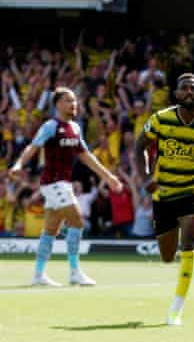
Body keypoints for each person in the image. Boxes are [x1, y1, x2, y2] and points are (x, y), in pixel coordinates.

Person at [134, 73, 194, 326]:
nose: (189, 92)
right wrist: (145, 177)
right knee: (167, 255)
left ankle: (176, 310)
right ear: (176, 94)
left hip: (193, 190)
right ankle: (171, 240)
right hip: (163, 193)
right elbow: (139, 146)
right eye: (184, 88)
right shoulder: (161, 120)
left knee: (189, 241)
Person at [10, 87, 122, 286]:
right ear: (58, 104)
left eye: (75, 101)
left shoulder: (76, 128)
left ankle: (38, 275)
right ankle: (74, 272)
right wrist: (19, 164)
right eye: (69, 100)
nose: (74, 104)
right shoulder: (50, 126)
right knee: (77, 221)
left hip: (64, 184)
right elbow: (33, 146)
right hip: (52, 183)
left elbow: (87, 157)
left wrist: (109, 176)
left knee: (51, 229)